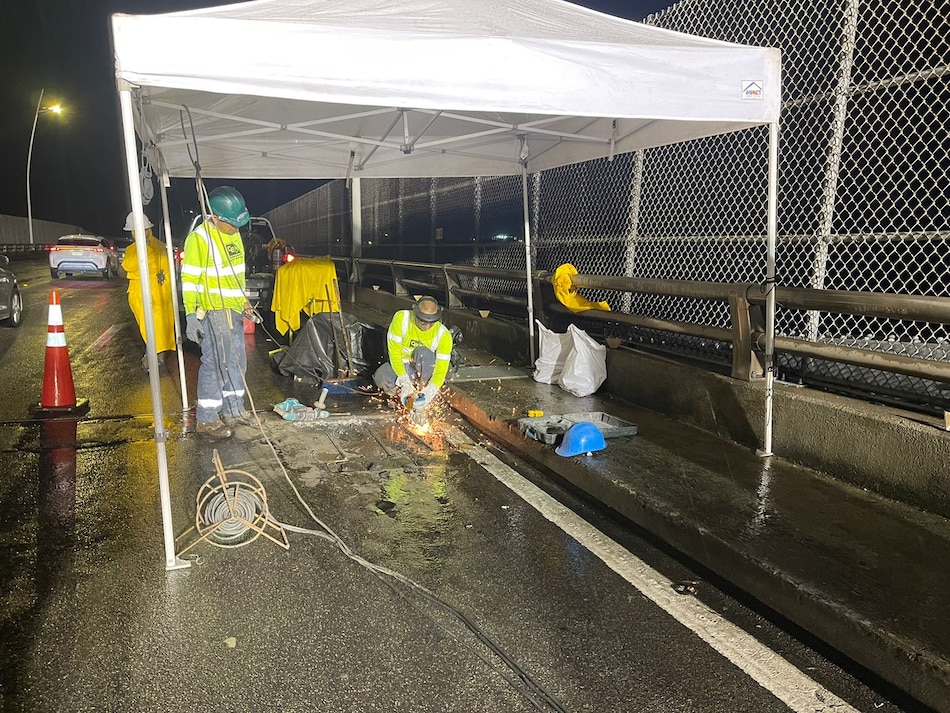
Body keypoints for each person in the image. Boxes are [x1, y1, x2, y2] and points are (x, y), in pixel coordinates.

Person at [181, 186, 256, 438]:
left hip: (233, 311)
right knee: (215, 364)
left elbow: (236, 276)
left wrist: (245, 304)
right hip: (213, 311)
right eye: (232, 224)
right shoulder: (199, 239)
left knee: (236, 362)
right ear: (215, 217)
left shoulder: (234, 236)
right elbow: (189, 280)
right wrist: (191, 315)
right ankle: (207, 418)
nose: (237, 229)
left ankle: (234, 409)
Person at [373, 296, 454, 411]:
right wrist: (405, 381)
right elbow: (394, 353)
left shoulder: (444, 335)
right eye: (422, 322)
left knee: (424, 353)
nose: (426, 326)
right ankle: (402, 399)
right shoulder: (401, 319)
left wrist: (430, 390)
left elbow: (441, 369)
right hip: (404, 367)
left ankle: (422, 399)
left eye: (430, 323)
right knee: (381, 376)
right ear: (415, 312)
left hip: (425, 370)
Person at [121, 212, 177, 370]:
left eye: (146, 229)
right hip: (142, 296)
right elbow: (129, 266)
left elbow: (165, 266)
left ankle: (156, 358)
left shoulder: (159, 246)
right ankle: (150, 360)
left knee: (161, 329)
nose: (144, 233)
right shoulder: (133, 250)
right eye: (139, 230)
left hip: (161, 295)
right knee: (150, 329)